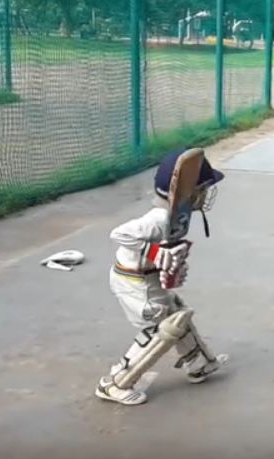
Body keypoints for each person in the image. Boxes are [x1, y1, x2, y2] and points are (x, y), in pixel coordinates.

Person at [95, 148, 228, 406]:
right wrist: (154, 252)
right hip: (133, 282)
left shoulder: (177, 216)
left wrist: (172, 267)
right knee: (161, 328)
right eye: (202, 188)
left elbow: (166, 253)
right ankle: (115, 383)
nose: (206, 194)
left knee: (178, 312)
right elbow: (119, 234)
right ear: (188, 191)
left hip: (147, 277)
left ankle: (198, 364)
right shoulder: (158, 219)